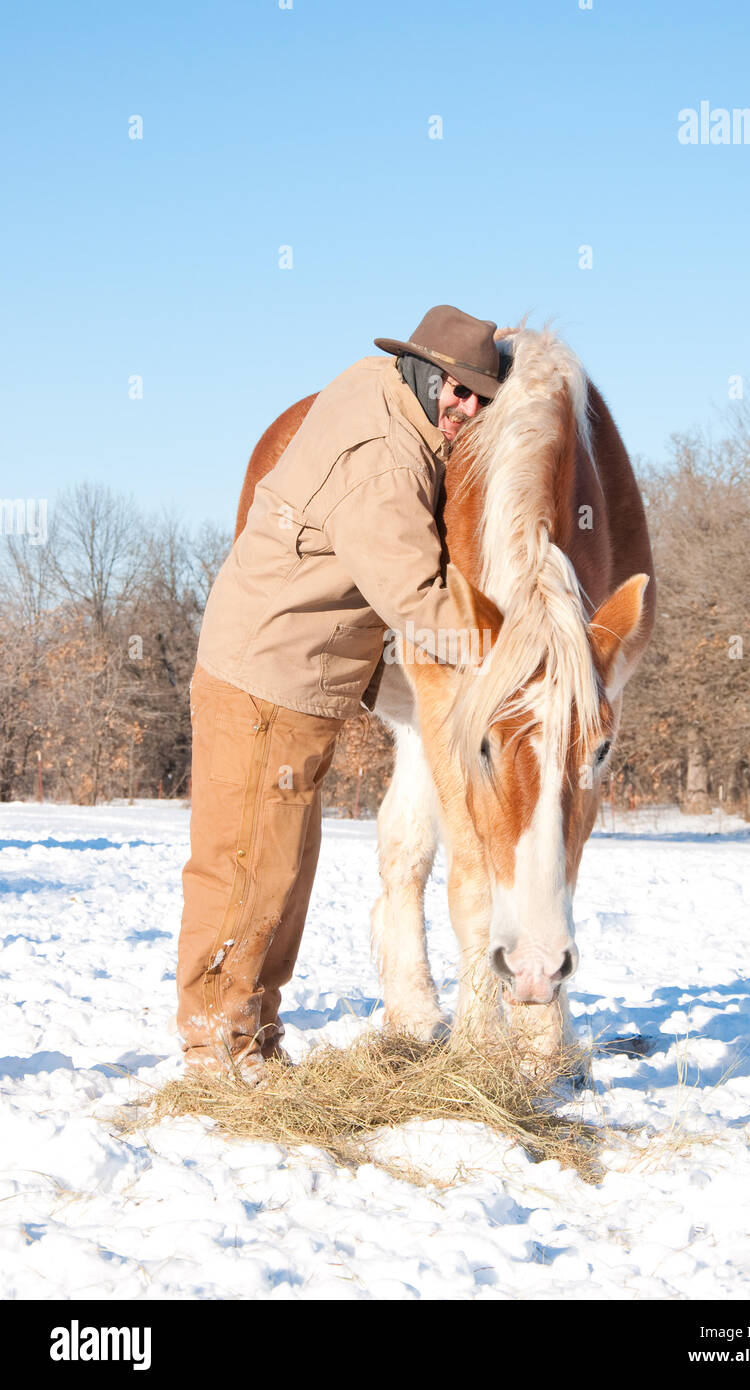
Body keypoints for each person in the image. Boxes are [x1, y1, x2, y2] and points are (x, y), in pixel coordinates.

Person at [176, 305, 505, 1082]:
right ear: (425, 374)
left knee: (280, 868)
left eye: (482, 400)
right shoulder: (386, 464)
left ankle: (251, 1037)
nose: (468, 411)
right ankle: (215, 1052)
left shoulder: (374, 385)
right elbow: (415, 600)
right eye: (458, 392)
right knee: (245, 866)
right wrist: (508, 650)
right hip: (270, 678)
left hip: (296, 677)